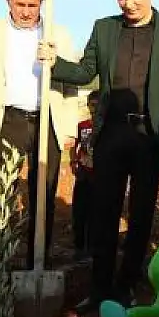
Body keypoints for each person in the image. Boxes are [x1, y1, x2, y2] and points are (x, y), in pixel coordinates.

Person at [45, 0, 159, 311]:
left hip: (150, 136)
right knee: (104, 212)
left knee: (141, 214)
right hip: (111, 134)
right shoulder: (104, 28)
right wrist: (53, 63)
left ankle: (126, 285)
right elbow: (84, 72)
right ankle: (99, 289)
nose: (128, 3)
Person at [0, 0, 78, 269]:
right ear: (9, 1)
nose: (28, 12)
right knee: (2, 192)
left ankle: (37, 262)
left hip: (48, 122)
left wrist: (69, 128)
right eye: (22, 5)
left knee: (43, 193)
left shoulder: (59, 35)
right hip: (9, 119)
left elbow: (70, 85)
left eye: (34, 5)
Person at [69, 91, 98, 262]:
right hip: (83, 174)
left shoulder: (106, 128)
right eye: (91, 104)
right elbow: (74, 144)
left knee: (96, 212)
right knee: (79, 212)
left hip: (100, 176)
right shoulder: (82, 126)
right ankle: (79, 247)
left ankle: (92, 247)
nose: (94, 108)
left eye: (97, 105)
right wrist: (73, 161)